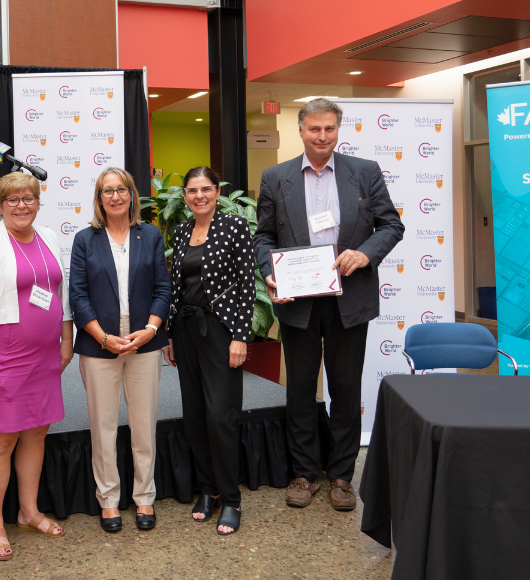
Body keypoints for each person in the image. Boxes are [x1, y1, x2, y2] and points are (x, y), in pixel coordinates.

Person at [254, 98, 404, 512]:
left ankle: (341, 475)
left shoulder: (365, 172)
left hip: (349, 299)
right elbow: (263, 236)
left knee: (345, 387)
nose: (322, 137)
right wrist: (271, 273)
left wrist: (365, 253)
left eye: (330, 130)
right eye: (314, 129)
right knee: (300, 390)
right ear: (300, 130)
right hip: (298, 300)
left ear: (339, 131)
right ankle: (303, 474)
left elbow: (392, 224)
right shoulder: (275, 176)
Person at [0, 171, 73, 560]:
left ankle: (28, 511)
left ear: (38, 202)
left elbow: (60, 289)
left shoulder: (50, 237)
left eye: (28, 198)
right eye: (13, 200)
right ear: (0, 204)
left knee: (36, 434)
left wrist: (66, 335)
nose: (21, 205)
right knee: (0, 440)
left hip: (44, 355)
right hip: (3, 356)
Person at [68, 167, 171, 533]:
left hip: (145, 345)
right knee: (103, 428)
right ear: (99, 198)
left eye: (121, 189)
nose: (114, 196)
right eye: (106, 191)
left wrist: (151, 330)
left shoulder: (151, 235)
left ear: (132, 195)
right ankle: (108, 500)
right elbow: (77, 297)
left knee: (144, 427)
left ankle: (145, 497)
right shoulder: (85, 239)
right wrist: (102, 338)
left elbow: (163, 289)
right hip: (100, 349)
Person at [162, 166, 255, 536]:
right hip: (186, 331)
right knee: (196, 415)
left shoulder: (234, 227)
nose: (198, 196)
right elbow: (175, 286)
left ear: (218, 191)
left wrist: (240, 336)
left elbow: (247, 283)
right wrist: (169, 333)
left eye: (205, 189)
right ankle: (208, 489)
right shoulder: (182, 230)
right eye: (191, 190)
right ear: (184, 195)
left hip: (221, 331)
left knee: (221, 416)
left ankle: (231, 499)